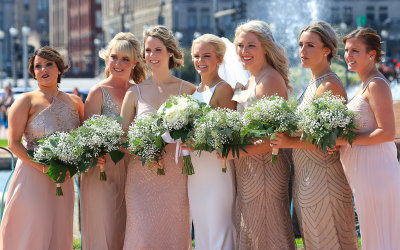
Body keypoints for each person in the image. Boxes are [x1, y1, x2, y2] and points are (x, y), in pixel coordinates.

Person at [270, 21, 359, 250]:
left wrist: (288, 141)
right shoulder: (313, 83)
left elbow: (330, 140)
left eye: (310, 45)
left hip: (324, 180)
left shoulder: (329, 85)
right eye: (300, 45)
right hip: (306, 179)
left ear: (326, 50)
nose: (302, 51)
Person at [0, 46, 84, 249]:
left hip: (63, 179)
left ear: (59, 69)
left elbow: (83, 139)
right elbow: (13, 143)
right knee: (31, 231)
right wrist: (44, 168)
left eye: (49, 64)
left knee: (59, 230)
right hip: (31, 177)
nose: (43, 69)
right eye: (37, 66)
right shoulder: (25, 101)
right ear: (33, 71)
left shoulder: (75, 102)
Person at [120, 25, 196, 249]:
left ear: (170, 52)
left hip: (176, 177)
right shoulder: (135, 92)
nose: (151, 56)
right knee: (140, 236)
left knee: (174, 236)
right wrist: (145, 152)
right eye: (148, 50)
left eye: (158, 50)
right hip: (140, 177)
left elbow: (196, 134)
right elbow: (122, 138)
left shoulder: (189, 90)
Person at [231, 20, 295, 249]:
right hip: (248, 169)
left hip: (267, 169)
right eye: (240, 45)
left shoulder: (270, 80)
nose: (244, 51)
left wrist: (233, 151)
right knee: (253, 232)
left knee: (268, 232)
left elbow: (276, 138)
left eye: (251, 45)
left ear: (265, 47)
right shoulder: (250, 80)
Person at [80, 32, 146, 250]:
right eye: (114, 57)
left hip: (134, 169)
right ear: (107, 58)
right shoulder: (98, 92)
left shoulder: (139, 91)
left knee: (129, 229)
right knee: (104, 227)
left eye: (125, 59)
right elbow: (86, 136)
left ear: (135, 62)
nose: (118, 63)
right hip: (102, 169)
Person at [338, 27, 400, 249]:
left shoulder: (376, 85)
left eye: (355, 50)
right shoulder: (366, 84)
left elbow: (387, 132)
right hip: (364, 174)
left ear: (371, 54)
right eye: (346, 50)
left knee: (379, 235)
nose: (348, 56)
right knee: (373, 234)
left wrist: (343, 141)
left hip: (376, 174)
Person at [188, 34, 237, 250]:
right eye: (197, 56)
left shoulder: (224, 89)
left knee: (219, 225)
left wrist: (198, 143)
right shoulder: (195, 91)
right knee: (202, 227)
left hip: (217, 168)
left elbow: (229, 136)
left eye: (206, 56)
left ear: (219, 58)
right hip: (196, 172)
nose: (200, 61)